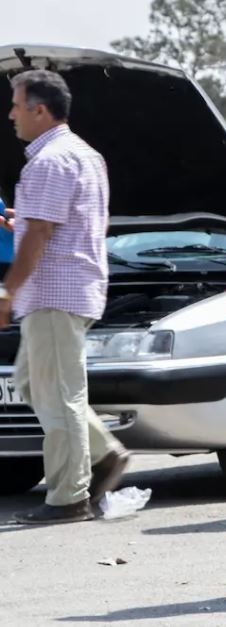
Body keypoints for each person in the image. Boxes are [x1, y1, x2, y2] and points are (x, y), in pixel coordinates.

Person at [3, 70, 129, 524]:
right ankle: (104, 453)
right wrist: (22, 222)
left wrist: (7, 290)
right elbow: (64, 221)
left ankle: (68, 497)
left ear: (39, 110)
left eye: (16, 105)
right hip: (73, 290)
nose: (11, 115)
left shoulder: (48, 161)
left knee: (58, 395)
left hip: (54, 294)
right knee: (33, 383)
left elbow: (41, 233)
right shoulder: (84, 155)